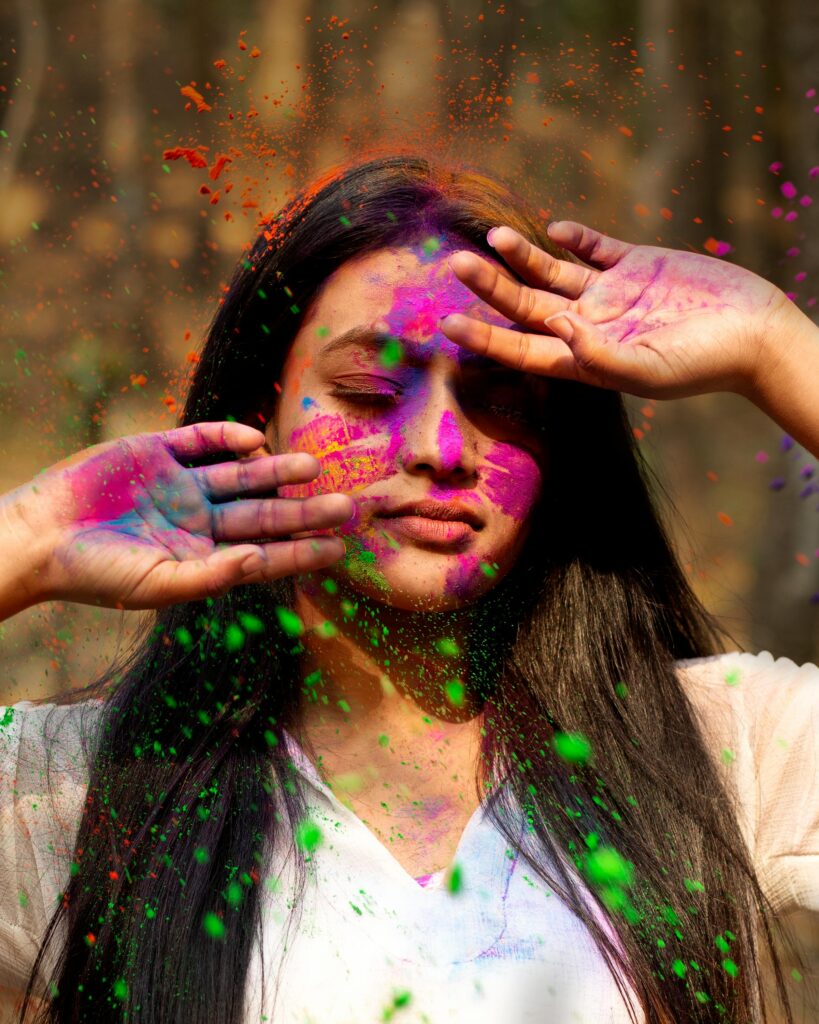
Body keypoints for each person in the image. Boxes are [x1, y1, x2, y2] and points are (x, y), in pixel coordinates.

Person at [0, 155, 816, 1024]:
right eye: (369, 389)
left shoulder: (722, 748)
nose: (440, 444)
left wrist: (777, 346)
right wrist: (26, 543)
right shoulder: (76, 789)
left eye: (502, 401)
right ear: (258, 412)